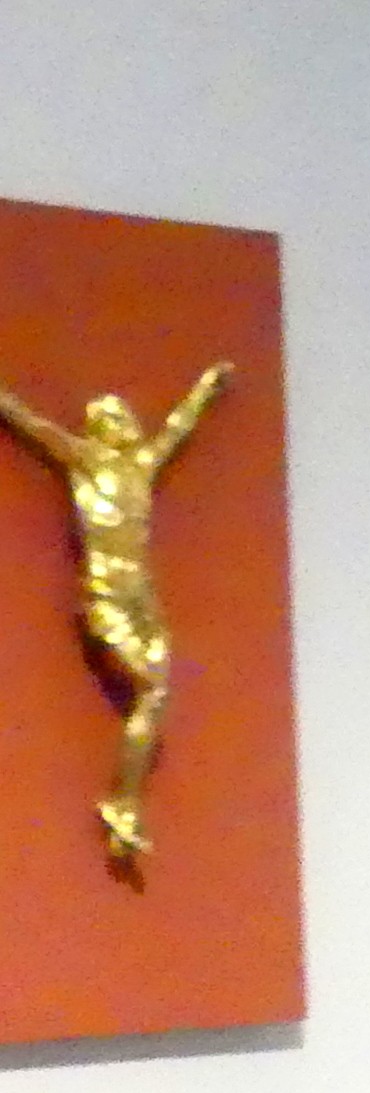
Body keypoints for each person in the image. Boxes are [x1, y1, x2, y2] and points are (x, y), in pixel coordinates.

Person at [0, 362, 233, 863]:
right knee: (152, 690)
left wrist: (205, 389)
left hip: (142, 597)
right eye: (113, 416)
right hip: (104, 593)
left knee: (157, 692)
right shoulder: (85, 461)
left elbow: (175, 429)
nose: (125, 420)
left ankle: (126, 801)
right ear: (99, 427)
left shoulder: (140, 466)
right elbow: (33, 425)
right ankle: (122, 802)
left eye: (124, 414)